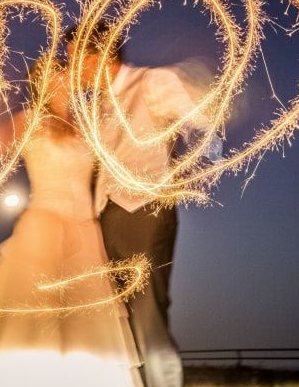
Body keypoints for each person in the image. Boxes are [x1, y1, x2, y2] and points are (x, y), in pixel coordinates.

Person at [0, 58, 144, 387]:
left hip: (85, 230)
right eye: (54, 75)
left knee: (84, 320)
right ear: (42, 84)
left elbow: (115, 161)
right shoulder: (31, 121)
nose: (63, 78)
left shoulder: (87, 126)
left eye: (63, 73)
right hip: (43, 228)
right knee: (34, 314)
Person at [65, 22, 223, 387]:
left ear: (98, 56)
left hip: (145, 211)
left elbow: (204, 127)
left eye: (75, 58)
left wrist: (185, 174)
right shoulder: (100, 105)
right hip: (105, 219)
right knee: (113, 319)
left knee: (147, 313)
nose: (71, 67)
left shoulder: (155, 82)